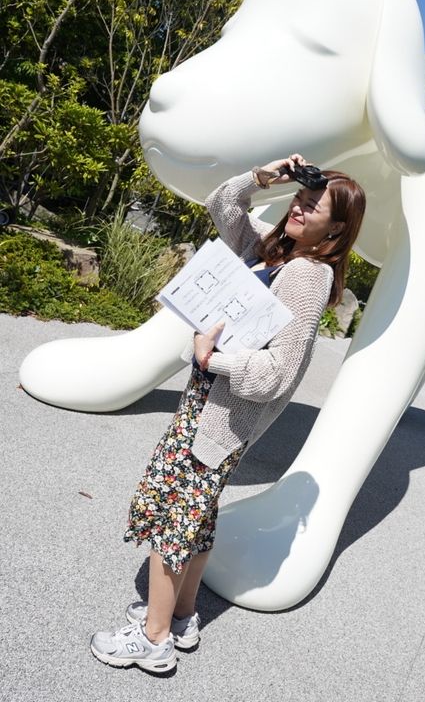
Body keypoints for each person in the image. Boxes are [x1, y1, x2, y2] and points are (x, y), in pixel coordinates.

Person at [90, 154, 366, 673]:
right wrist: (267, 176)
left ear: (336, 231)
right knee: (198, 514)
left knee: (176, 514)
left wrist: (214, 359)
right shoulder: (270, 249)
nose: (300, 210)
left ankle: (152, 639)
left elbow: (281, 372)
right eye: (301, 200)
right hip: (209, 401)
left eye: (314, 207)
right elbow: (222, 202)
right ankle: (182, 615)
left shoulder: (306, 276)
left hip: (225, 413)